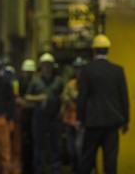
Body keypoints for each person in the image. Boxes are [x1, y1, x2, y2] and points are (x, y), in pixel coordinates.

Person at [76, 34, 129, 174]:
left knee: (87, 159)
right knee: (110, 160)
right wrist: (126, 120)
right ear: (108, 50)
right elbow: (124, 96)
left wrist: (80, 118)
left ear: (93, 50)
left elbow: (82, 97)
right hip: (112, 122)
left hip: (93, 122)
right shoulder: (117, 71)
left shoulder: (87, 70)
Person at [25, 53, 64, 174]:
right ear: (41, 66)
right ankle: (39, 170)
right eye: (45, 65)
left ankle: (56, 170)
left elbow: (64, 97)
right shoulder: (35, 81)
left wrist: (62, 111)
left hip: (54, 119)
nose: (47, 67)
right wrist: (38, 98)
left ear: (53, 66)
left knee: (56, 147)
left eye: (49, 65)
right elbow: (27, 96)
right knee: (39, 148)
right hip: (39, 119)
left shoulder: (59, 80)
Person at [60, 56, 87, 174]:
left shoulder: (87, 84)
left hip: (81, 121)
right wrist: (67, 98)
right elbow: (64, 98)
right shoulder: (70, 83)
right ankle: (74, 169)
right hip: (69, 119)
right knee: (71, 148)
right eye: (77, 68)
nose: (79, 71)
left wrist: (74, 96)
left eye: (81, 69)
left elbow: (83, 100)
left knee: (79, 148)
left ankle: (81, 170)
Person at [17, 58, 37, 174]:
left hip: (34, 117)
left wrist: (27, 103)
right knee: (23, 143)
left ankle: (31, 168)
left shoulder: (36, 83)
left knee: (33, 143)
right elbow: (17, 98)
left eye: (30, 72)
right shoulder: (19, 82)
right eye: (27, 72)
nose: (28, 74)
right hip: (22, 118)